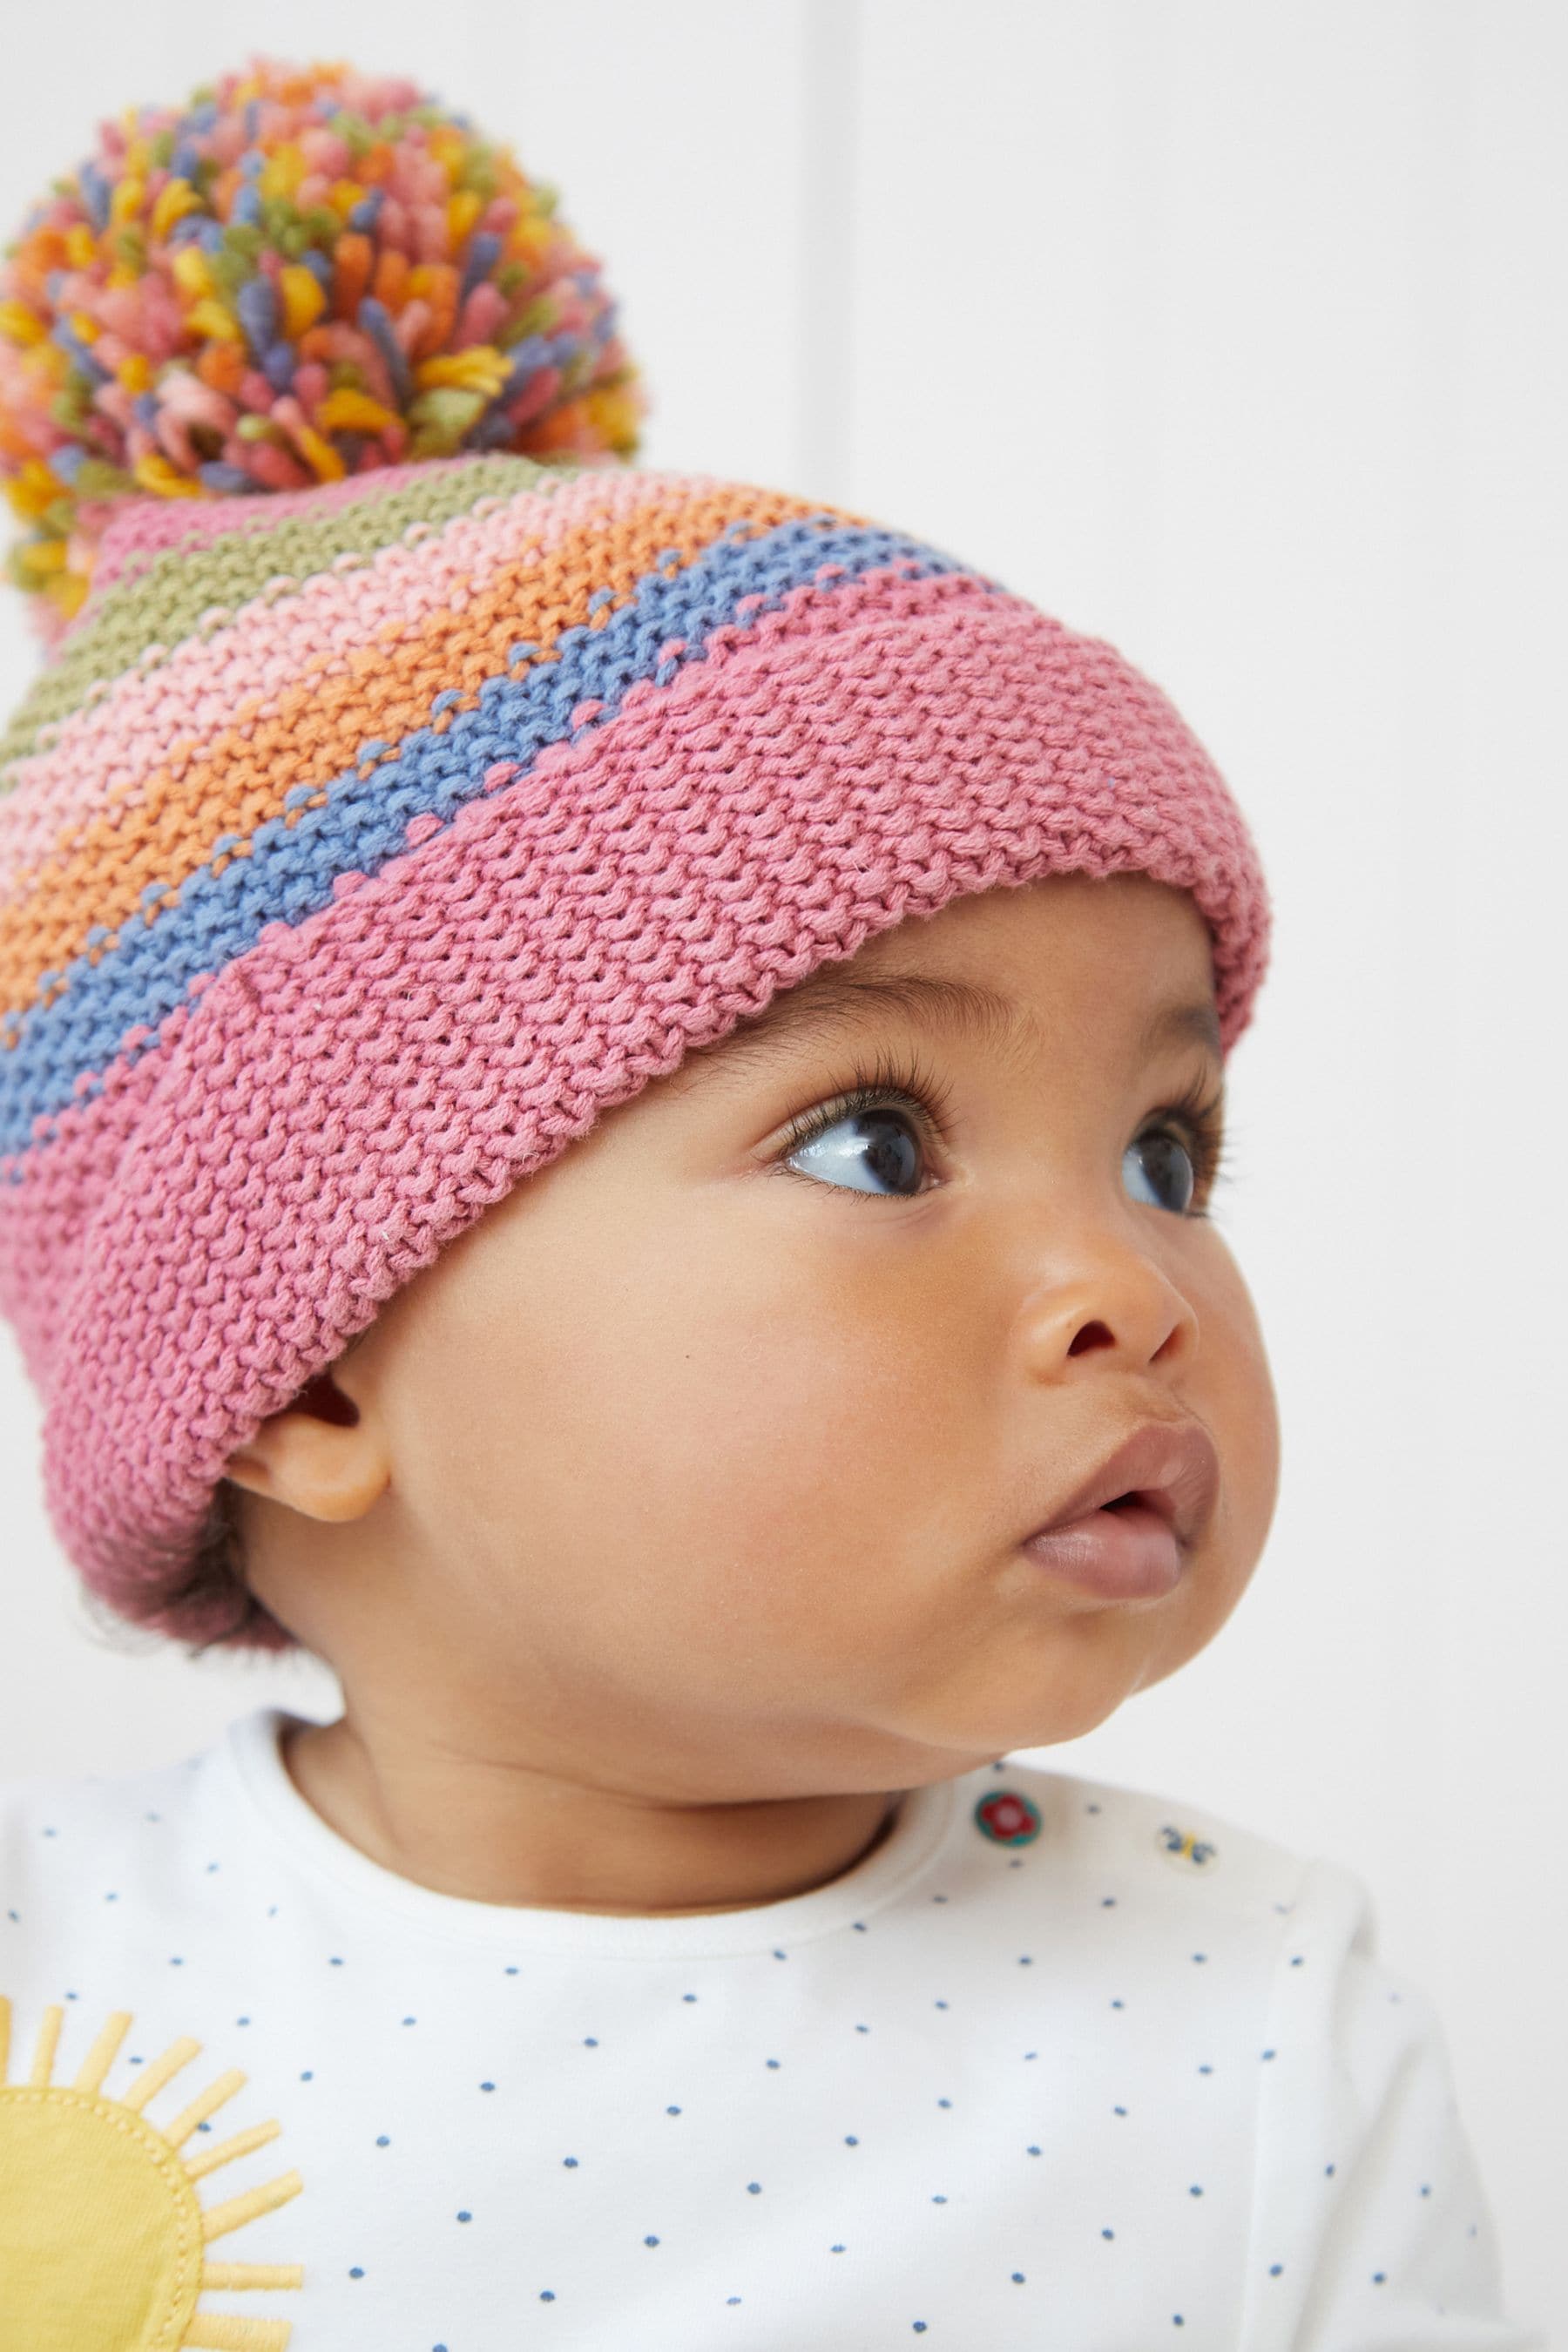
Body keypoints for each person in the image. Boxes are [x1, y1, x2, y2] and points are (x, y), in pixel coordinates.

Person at [0, 55, 1544, 2352]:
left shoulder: (1256, 2046)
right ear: (311, 1361)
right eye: (879, 1142)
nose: (1131, 1282)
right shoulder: (57, 1987)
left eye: (1166, 1150)